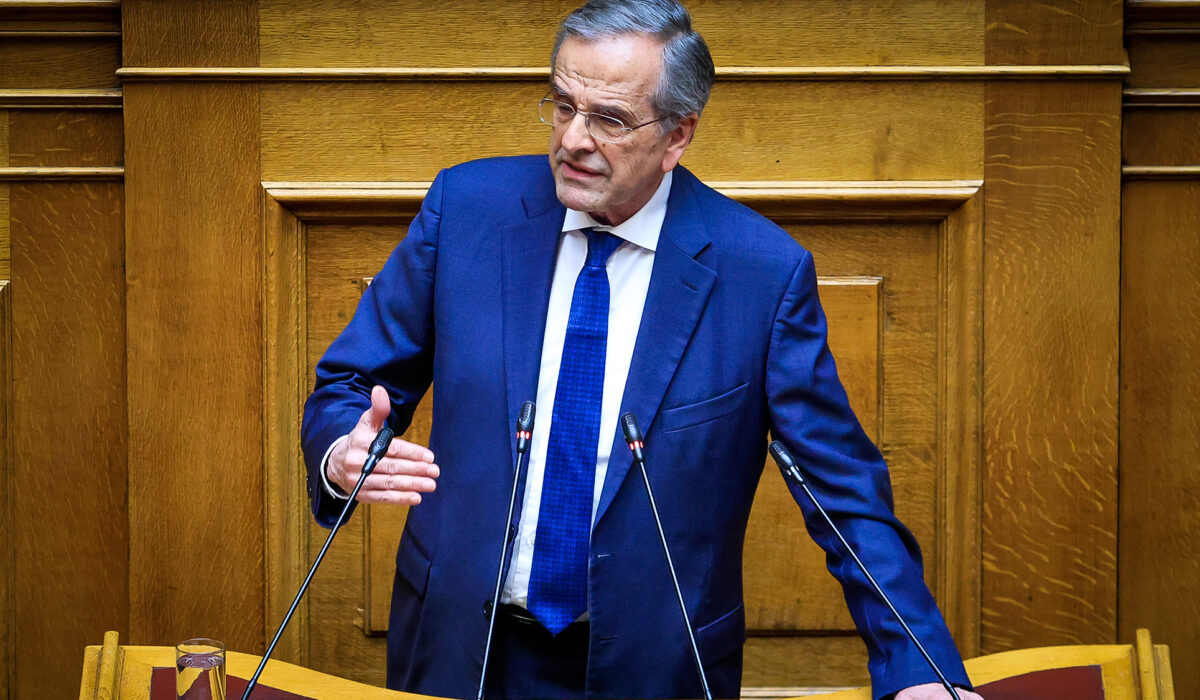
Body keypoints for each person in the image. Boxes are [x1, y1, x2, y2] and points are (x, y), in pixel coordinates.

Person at [302, 1, 984, 699]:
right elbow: (351, 382)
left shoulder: (761, 274)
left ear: (677, 134)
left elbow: (840, 489)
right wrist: (340, 454)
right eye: (563, 105)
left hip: (656, 666)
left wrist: (920, 669)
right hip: (460, 648)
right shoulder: (467, 209)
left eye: (609, 119)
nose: (573, 139)